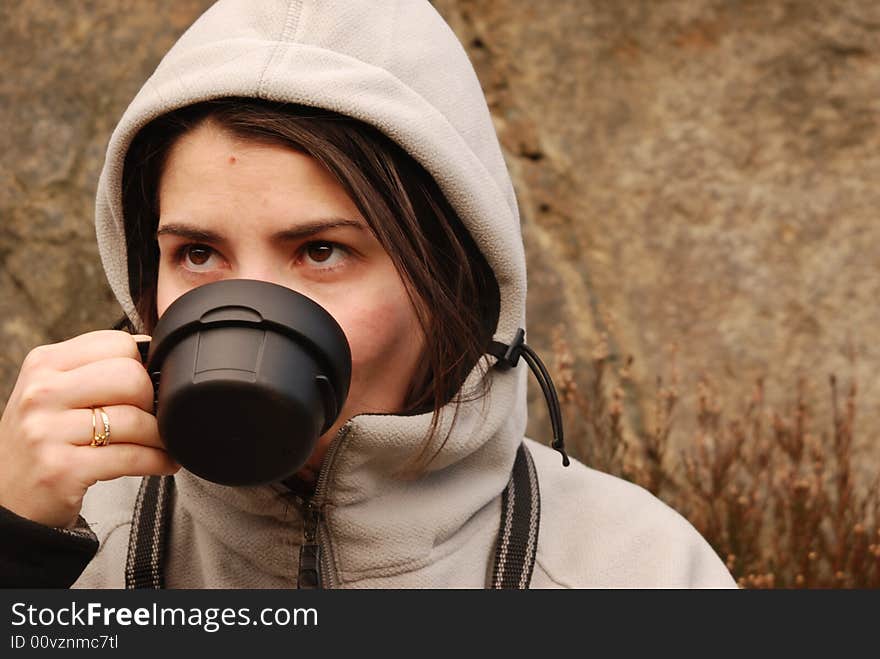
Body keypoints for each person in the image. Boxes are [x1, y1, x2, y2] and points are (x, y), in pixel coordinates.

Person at [0, 0, 736, 588]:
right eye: (197, 252)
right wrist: (15, 551)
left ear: (450, 275)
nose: (249, 305)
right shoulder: (70, 537)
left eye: (320, 251)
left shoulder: (638, 570)